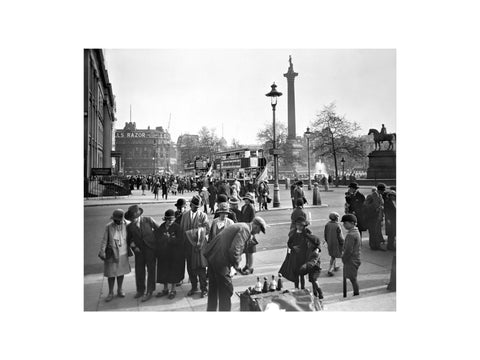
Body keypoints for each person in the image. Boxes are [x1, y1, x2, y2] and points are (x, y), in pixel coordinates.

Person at [203, 217, 267, 311]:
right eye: (259, 230)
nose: (258, 233)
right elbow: (235, 249)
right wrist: (237, 266)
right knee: (226, 290)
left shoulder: (241, 226)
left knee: (214, 289)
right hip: (220, 260)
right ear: (255, 225)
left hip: (213, 257)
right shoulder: (245, 229)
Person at [125, 204, 160, 302]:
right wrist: (134, 247)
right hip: (139, 252)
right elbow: (129, 240)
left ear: (139, 216)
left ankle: (149, 291)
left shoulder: (148, 220)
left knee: (151, 270)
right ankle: (140, 290)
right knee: (139, 271)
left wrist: (155, 242)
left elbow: (159, 230)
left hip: (150, 249)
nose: (133, 220)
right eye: (132, 219)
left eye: (134, 218)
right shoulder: (130, 226)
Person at [179, 195, 210, 298]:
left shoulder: (203, 215)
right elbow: (182, 230)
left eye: (198, 206)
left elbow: (207, 229)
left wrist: (196, 236)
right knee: (190, 268)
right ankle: (194, 287)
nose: (196, 208)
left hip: (199, 246)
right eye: (194, 206)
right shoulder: (184, 216)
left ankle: (204, 288)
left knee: (201, 268)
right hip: (188, 246)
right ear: (190, 204)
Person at [98, 209, 132, 302]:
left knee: (121, 273)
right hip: (112, 253)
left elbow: (133, 236)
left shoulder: (128, 224)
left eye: (118, 220)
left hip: (123, 252)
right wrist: (102, 252)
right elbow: (104, 240)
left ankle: (120, 290)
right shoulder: (109, 227)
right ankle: (110, 292)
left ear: (122, 219)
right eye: (115, 220)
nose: (116, 221)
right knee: (111, 274)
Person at [154, 209, 184, 299]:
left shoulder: (177, 227)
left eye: (171, 220)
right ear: (165, 219)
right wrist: (163, 238)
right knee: (164, 272)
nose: (169, 222)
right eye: (168, 220)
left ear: (174, 219)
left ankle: (173, 290)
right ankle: (165, 289)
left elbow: (180, 241)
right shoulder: (162, 227)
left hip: (174, 255)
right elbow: (157, 239)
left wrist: (170, 239)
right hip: (163, 254)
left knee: (173, 272)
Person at [287, 216, 310, 290]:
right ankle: (296, 288)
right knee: (295, 273)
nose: (299, 227)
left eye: (301, 225)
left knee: (302, 273)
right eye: (298, 225)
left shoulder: (307, 232)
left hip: (303, 256)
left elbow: (311, 242)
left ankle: (303, 288)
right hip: (295, 256)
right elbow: (289, 243)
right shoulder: (293, 233)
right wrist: (293, 248)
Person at [341, 214, 361, 296]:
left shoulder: (350, 235)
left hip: (351, 260)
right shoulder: (356, 231)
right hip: (356, 258)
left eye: (345, 223)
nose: (344, 225)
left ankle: (356, 294)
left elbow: (348, 250)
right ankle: (356, 293)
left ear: (352, 223)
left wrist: (344, 258)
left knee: (353, 278)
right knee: (353, 278)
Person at [299, 233, 323, 299]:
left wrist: (305, 265)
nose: (308, 243)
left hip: (316, 269)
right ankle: (315, 293)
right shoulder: (310, 248)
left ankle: (320, 292)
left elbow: (313, 262)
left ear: (313, 244)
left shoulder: (315, 252)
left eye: (309, 242)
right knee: (312, 281)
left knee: (314, 280)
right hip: (311, 268)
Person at [364, 185, 385, 251]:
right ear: (380, 190)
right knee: (373, 232)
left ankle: (377, 245)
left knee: (378, 232)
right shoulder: (371, 196)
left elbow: (381, 204)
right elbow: (366, 205)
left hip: (378, 217)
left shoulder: (380, 196)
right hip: (372, 217)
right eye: (383, 190)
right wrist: (375, 208)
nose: (383, 192)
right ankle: (373, 246)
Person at [240, 193, 256, 275]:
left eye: (247, 199)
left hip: (249, 230)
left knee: (250, 250)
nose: (246, 200)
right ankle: (247, 264)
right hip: (244, 229)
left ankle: (250, 267)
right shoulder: (243, 207)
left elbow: (252, 220)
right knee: (246, 249)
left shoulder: (251, 208)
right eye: (245, 199)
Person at [324, 212, 345, 276]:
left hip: (330, 242)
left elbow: (325, 234)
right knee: (336, 255)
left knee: (333, 255)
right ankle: (330, 270)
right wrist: (343, 243)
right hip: (337, 243)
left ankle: (335, 266)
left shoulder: (327, 224)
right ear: (336, 218)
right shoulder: (337, 225)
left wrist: (327, 240)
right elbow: (340, 236)